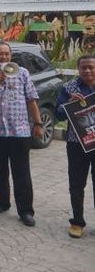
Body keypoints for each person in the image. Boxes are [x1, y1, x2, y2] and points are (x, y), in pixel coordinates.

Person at [0, 42, 42, 227]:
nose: (3, 57)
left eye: (7, 54)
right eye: (0, 54)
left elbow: (31, 100)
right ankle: (2, 202)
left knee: (21, 172)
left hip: (19, 131)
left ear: (10, 56)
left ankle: (26, 211)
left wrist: (37, 123)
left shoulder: (22, 73)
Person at [55, 54, 95, 238]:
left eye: (91, 67)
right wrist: (69, 104)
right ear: (78, 69)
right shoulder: (69, 88)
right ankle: (77, 222)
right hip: (76, 142)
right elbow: (59, 114)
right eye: (83, 67)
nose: (87, 70)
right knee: (76, 184)